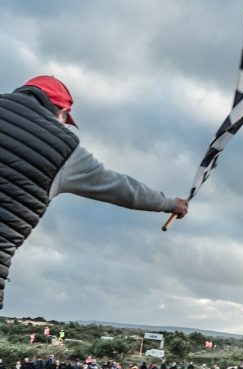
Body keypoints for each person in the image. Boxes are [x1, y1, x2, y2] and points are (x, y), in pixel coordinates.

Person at [0, 75, 188, 308]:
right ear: (61, 111)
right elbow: (122, 189)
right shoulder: (63, 149)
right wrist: (170, 204)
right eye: (65, 120)